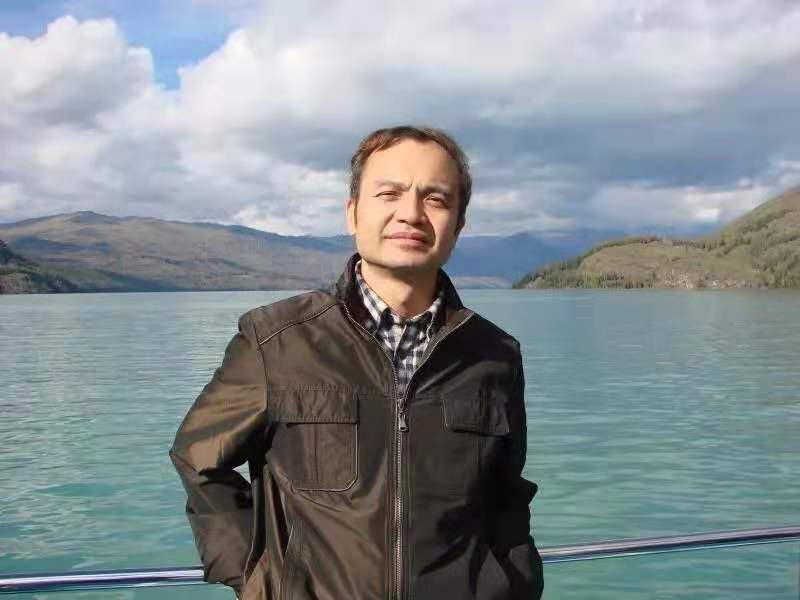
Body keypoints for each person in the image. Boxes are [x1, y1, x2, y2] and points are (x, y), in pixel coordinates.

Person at [169, 125, 544, 600]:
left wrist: (513, 581)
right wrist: (258, 579)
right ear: (353, 212)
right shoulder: (275, 340)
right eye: (389, 193)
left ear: (458, 224)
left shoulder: (494, 354)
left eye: (435, 199)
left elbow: (505, 493)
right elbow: (199, 460)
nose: (411, 213)